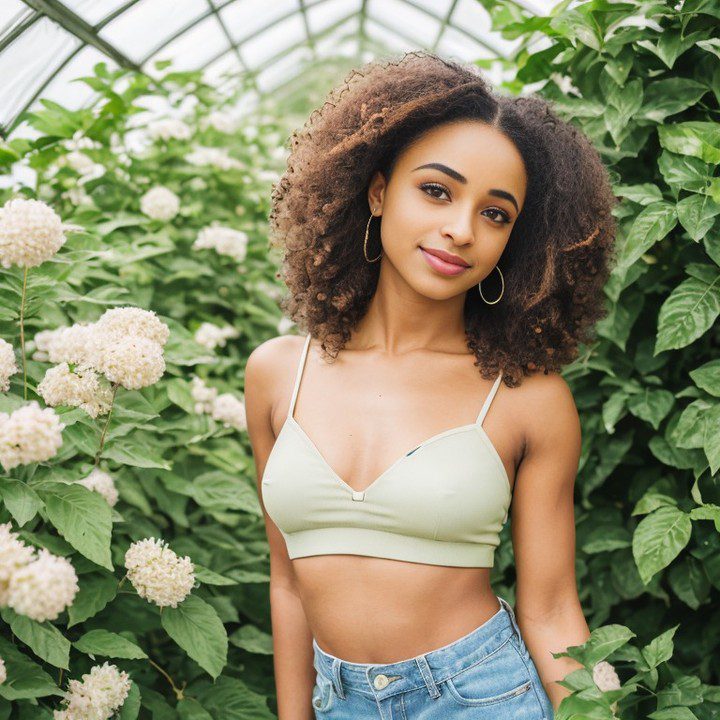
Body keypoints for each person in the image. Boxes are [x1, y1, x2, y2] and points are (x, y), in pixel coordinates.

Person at [245, 50, 617, 719]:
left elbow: (553, 605)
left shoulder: (525, 399)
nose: (460, 230)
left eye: (495, 214)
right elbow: (289, 584)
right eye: (437, 191)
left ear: (515, 241)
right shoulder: (277, 375)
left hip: (484, 697)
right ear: (378, 190)